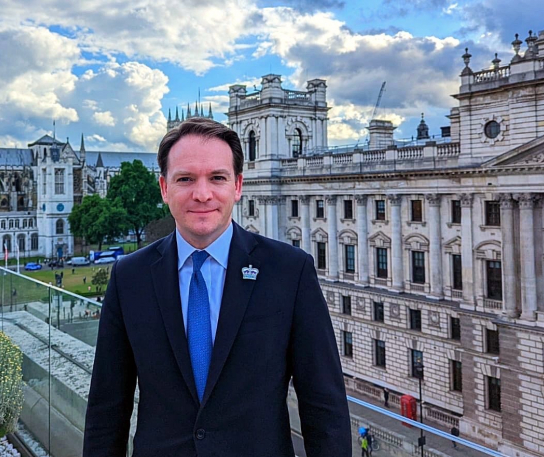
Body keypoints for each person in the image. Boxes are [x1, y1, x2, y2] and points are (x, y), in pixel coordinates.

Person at [83, 117, 351, 457]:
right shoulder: (129, 276)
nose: (202, 193)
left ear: (237, 186)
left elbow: (324, 407)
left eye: (217, 178)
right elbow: (107, 410)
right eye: (185, 179)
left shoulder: (289, 271)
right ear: (164, 188)